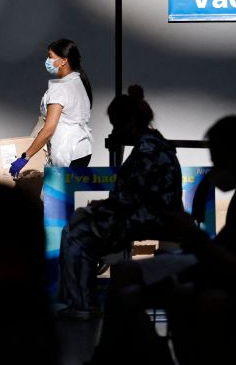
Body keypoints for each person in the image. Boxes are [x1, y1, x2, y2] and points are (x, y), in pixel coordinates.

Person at [54, 85, 183, 320]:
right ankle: (83, 300)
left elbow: (132, 198)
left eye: (116, 125)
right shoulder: (156, 144)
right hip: (152, 213)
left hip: (149, 217)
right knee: (83, 223)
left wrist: (95, 209)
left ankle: (81, 304)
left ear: (129, 124)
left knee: (77, 233)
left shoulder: (147, 152)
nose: (114, 131)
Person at [9, 39, 93, 177]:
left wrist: (24, 157)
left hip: (66, 154)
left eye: (50, 57)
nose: (47, 61)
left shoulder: (60, 89)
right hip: (81, 151)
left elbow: (49, 129)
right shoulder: (77, 82)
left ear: (63, 61)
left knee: (55, 198)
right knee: (65, 197)